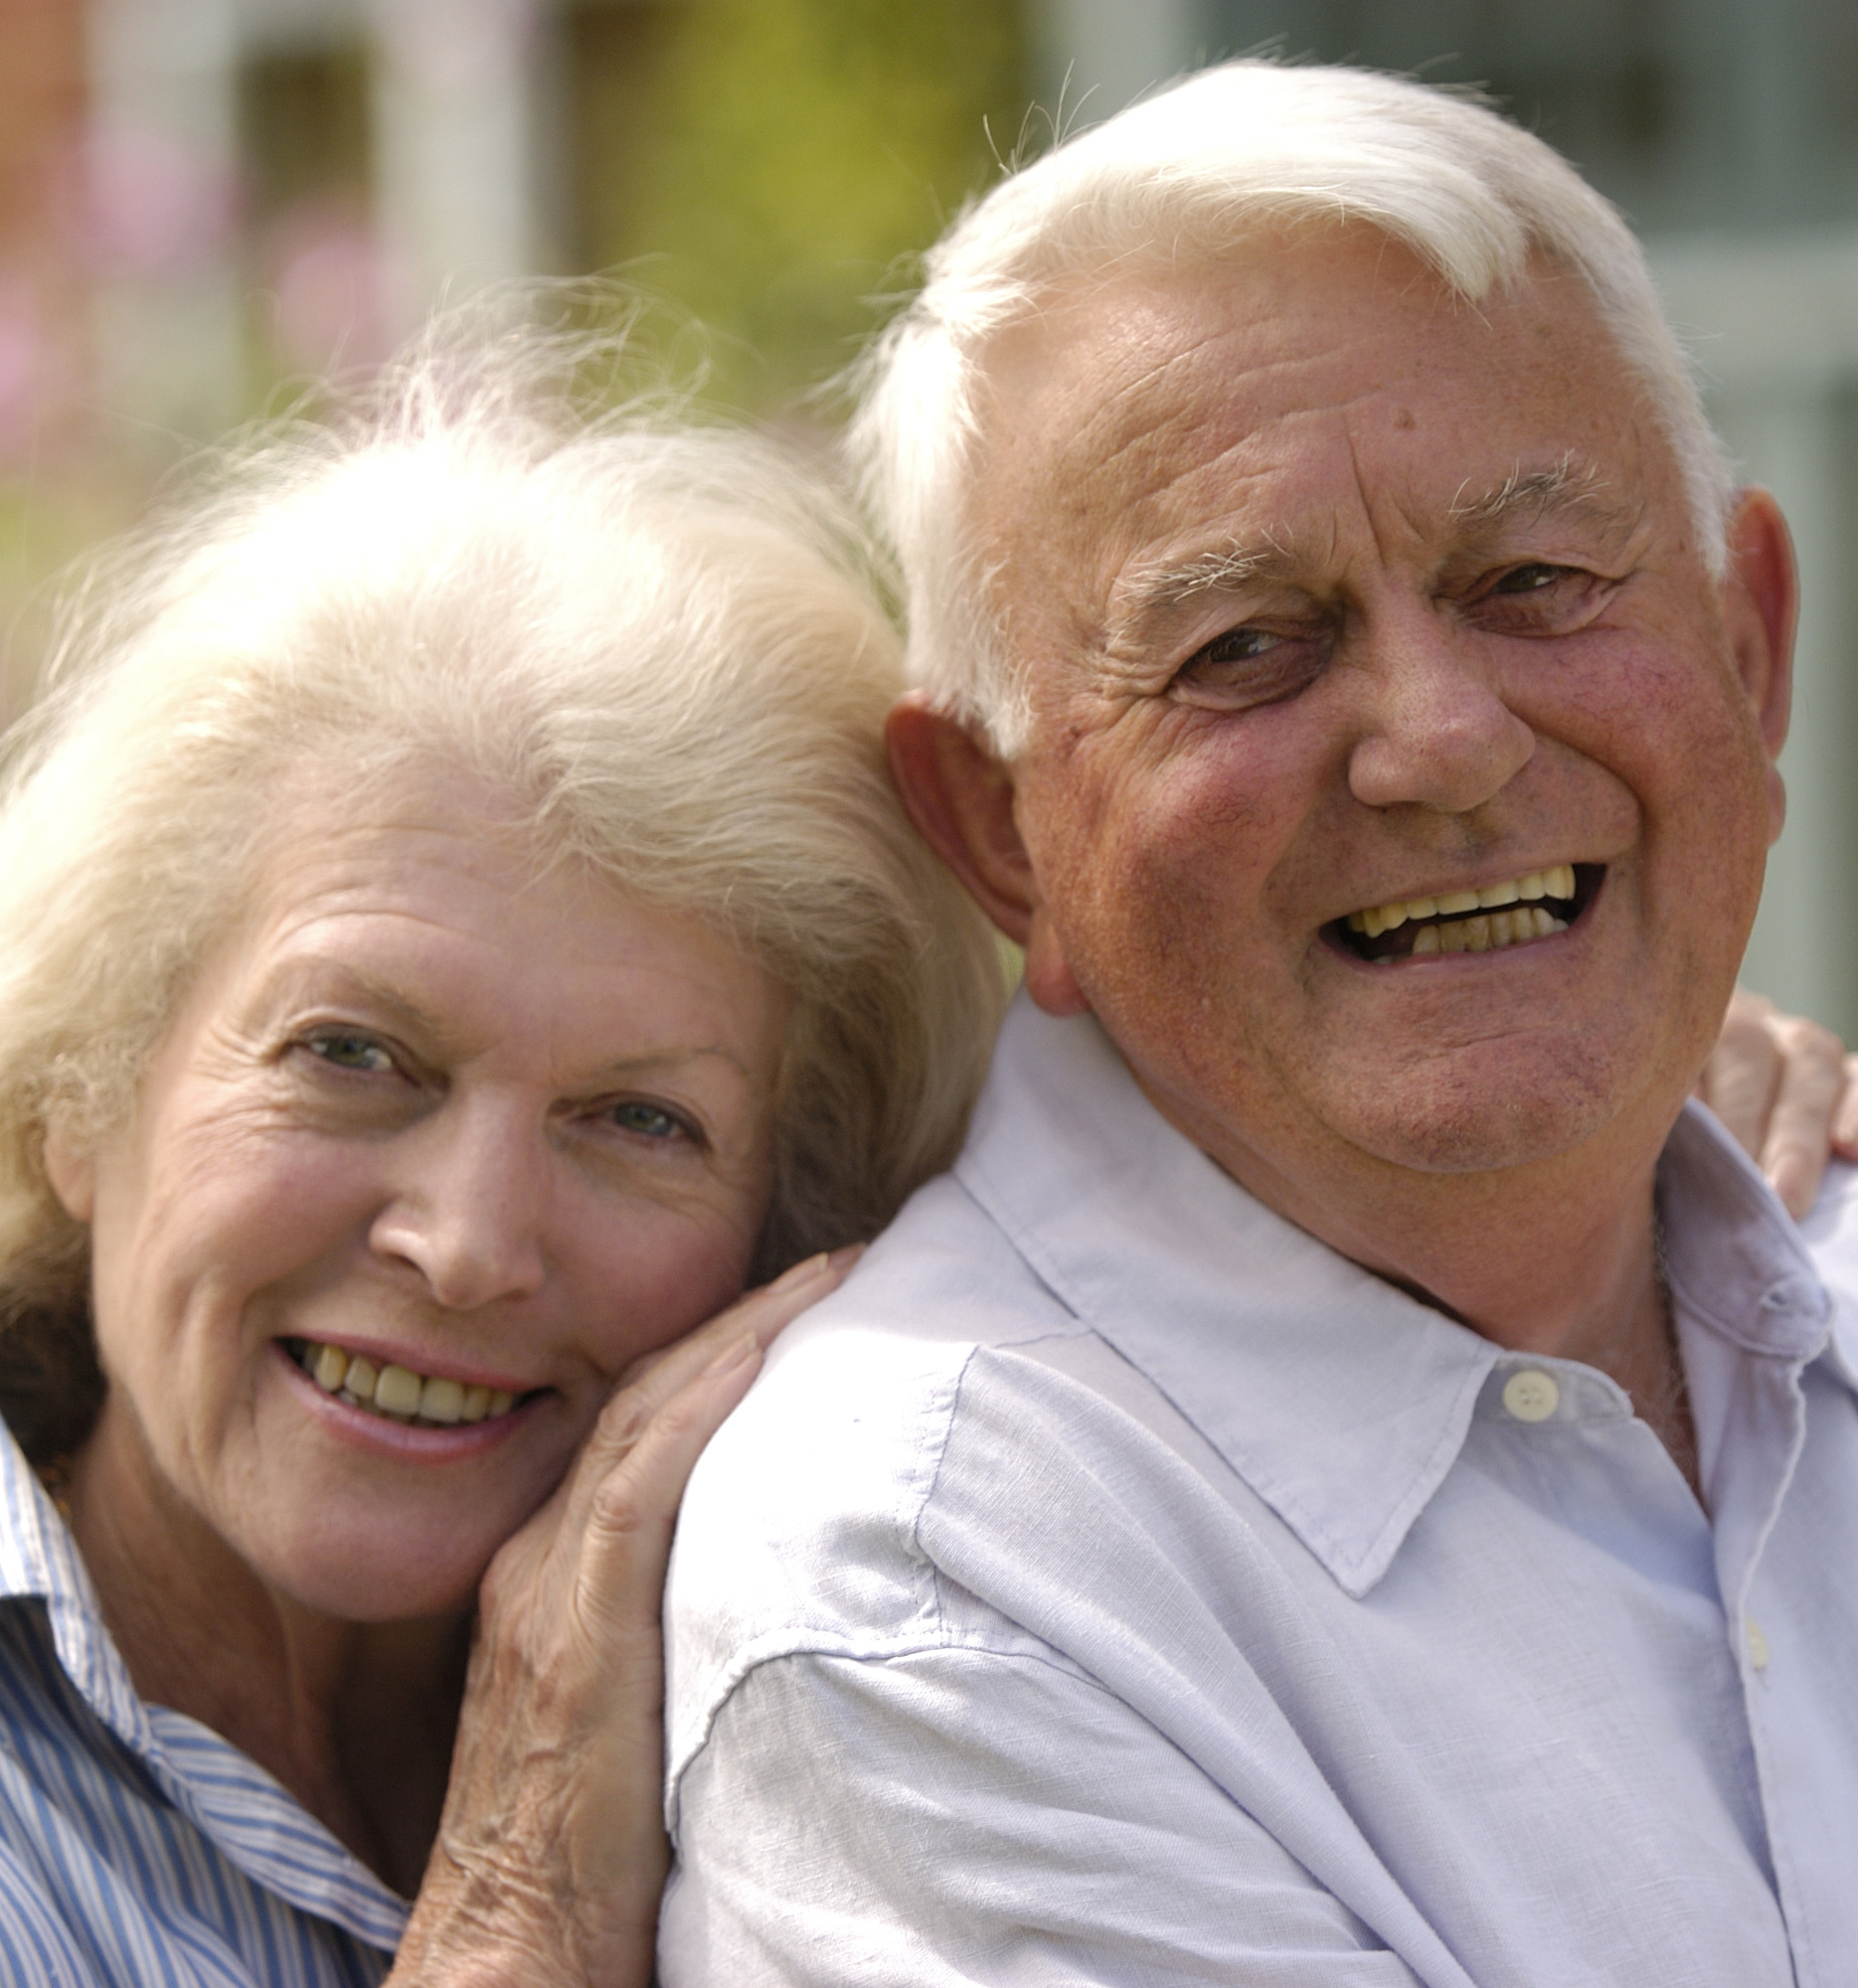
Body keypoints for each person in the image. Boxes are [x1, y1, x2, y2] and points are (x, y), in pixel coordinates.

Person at [661, 62, 1858, 1984]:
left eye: (1535, 583)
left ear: (1749, 649)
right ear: (1002, 832)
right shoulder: (944, 1588)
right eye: (1244, 648)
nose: (1445, 742)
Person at [0, 331, 1004, 1987]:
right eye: (352, 1055)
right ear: (77, 1095)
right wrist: (513, 1911)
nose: (470, 1245)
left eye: (639, 1121)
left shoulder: (864, 1723)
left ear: (788, 1232)